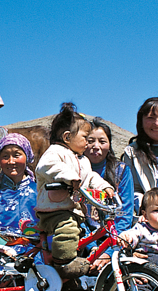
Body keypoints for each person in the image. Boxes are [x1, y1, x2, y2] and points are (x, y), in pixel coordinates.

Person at [35, 103, 114, 279]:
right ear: (67, 137)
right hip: (54, 211)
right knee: (68, 229)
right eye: (86, 137)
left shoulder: (83, 160)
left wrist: (105, 186)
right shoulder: (55, 152)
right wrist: (69, 177)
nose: (88, 142)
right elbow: (46, 167)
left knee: (80, 235)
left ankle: (68, 275)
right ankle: (63, 263)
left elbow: (90, 177)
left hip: (71, 210)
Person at [84, 118, 134, 235]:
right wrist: (91, 247)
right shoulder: (75, 172)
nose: (96, 146)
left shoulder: (121, 171)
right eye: (90, 141)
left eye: (102, 142)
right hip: (83, 240)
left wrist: (111, 249)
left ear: (109, 144)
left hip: (115, 238)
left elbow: (125, 212)